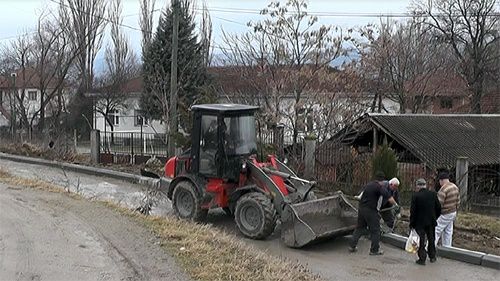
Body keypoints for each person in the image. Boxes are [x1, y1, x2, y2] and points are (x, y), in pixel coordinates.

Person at [349, 171, 399, 255]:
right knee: (376, 230)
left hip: (362, 209)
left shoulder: (369, 184)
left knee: (359, 228)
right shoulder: (379, 187)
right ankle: (374, 250)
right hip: (370, 210)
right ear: (382, 180)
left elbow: (362, 194)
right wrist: (396, 204)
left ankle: (352, 246)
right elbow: (389, 197)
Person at [410, 178, 441, 265]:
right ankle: (432, 256)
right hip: (431, 221)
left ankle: (422, 258)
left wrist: (412, 223)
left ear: (417, 186)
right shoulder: (433, 194)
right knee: (431, 239)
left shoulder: (415, 196)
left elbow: (413, 211)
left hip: (419, 222)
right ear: (425, 185)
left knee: (421, 240)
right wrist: (435, 217)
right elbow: (438, 208)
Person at [435, 172, 460, 247]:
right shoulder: (455, 187)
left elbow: (439, 205)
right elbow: (458, 201)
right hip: (453, 212)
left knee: (436, 230)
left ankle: (430, 248)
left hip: (445, 213)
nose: (439, 183)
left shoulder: (443, 190)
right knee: (448, 231)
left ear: (441, 180)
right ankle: (447, 248)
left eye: (439, 181)